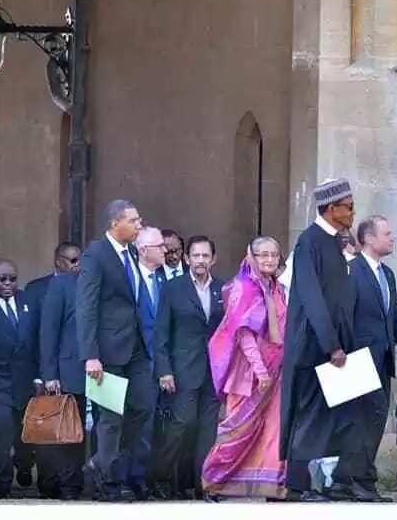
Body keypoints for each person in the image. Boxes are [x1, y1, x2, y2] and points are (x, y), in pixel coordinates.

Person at [332, 216, 397, 502]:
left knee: (372, 420)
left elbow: (394, 317)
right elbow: (342, 317)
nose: (392, 238)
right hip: (357, 359)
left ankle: (345, 480)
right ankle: (361, 482)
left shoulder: (388, 275)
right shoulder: (351, 271)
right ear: (368, 239)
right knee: (365, 420)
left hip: (382, 360)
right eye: (387, 233)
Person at [280, 178, 358, 502]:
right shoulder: (309, 241)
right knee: (308, 416)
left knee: (325, 417)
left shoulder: (335, 242)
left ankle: (318, 484)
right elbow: (312, 299)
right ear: (331, 209)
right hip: (313, 346)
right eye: (348, 207)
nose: (353, 213)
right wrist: (331, 345)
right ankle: (298, 487)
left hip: (331, 347)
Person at [76, 199, 156, 502]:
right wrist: (90, 354)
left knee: (143, 405)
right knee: (111, 417)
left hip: (135, 347)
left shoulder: (132, 252)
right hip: (106, 351)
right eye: (133, 221)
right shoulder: (96, 254)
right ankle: (109, 482)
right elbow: (86, 305)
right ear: (114, 224)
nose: (139, 225)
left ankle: (99, 462)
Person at [202, 237, 288, 499]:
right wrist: (260, 369)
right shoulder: (242, 288)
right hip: (250, 373)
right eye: (263, 255)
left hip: (278, 370)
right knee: (238, 430)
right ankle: (213, 480)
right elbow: (243, 334)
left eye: (274, 255)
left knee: (274, 428)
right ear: (250, 255)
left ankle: (273, 485)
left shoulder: (278, 289)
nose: (269, 260)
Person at [152, 235, 225, 500]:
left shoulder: (223, 289)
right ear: (187, 258)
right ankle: (159, 479)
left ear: (213, 259)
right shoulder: (174, 289)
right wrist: (164, 370)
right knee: (181, 424)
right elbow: (161, 333)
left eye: (206, 256)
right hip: (182, 370)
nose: (201, 261)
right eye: (196, 256)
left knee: (208, 429)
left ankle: (204, 485)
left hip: (214, 372)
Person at [0, 259, 41, 498]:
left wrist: (39, 376)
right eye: (2, 279)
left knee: (24, 434)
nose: (8, 284)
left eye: (12, 279)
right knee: (1, 433)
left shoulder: (27, 300)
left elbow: (37, 339)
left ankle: (24, 465)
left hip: (25, 380)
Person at [116, 226, 167, 499]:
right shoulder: (128, 278)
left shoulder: (162, 281)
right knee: (123, 423)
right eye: (160, 246)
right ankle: (119, 478)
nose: (166, 250)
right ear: (144, 250)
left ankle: (138, 478)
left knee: (146, 422)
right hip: (126, 360)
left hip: (152, 363)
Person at [38, 270, 86, 500]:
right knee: (69, 431)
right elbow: (49, 330)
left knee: (105, 429)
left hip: (105, 371)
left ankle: (99, 482)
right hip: (69, 371)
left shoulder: (109, 283)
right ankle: (69, 486)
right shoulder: (61, 285)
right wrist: (49, 373)